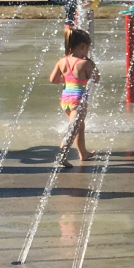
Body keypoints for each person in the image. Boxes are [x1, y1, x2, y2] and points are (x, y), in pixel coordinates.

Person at [48, 27, 100, 167]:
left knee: (79, 126)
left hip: (65, 100)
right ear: (83, 47)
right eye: (88, 48)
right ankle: (61, 155)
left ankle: (83, 153)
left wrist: (68, 80)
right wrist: (92, 65)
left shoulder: (62, 61)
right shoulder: (85, 63)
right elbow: (96, 79)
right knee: (73, 129)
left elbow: (53, 79)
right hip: (78, 102)